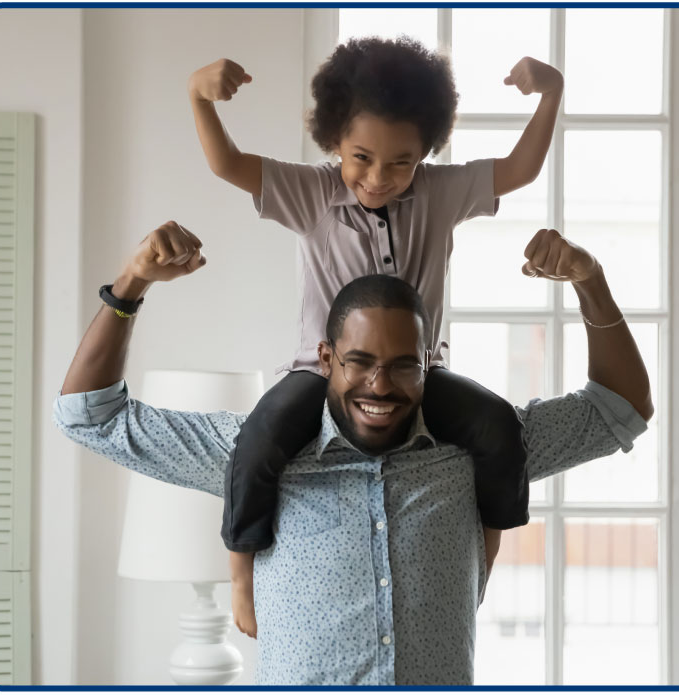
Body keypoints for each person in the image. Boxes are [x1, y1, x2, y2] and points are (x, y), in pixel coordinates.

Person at [54, 221, 653, 685]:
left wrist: (590, 279)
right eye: (360, 362)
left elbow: (620, 408)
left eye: (402, 367)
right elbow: (90, 416)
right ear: (325, 360)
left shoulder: (478, 450)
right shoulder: (255, 453)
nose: (380, 386)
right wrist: (131, 284)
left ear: (429, 366)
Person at [187, 37, 566, 635]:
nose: (379, 177)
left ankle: (482, 563)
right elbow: (227, 164)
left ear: (426, 153)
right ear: (334, 139)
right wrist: (199, 99)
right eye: (361, 157)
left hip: (422, 375)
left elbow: (519, 169)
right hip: (323, 375)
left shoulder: (440, 194)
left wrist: (551, 96)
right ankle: (239, 575)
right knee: (258, 440)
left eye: (401, 162)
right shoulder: (311, 194)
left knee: (498, 428)